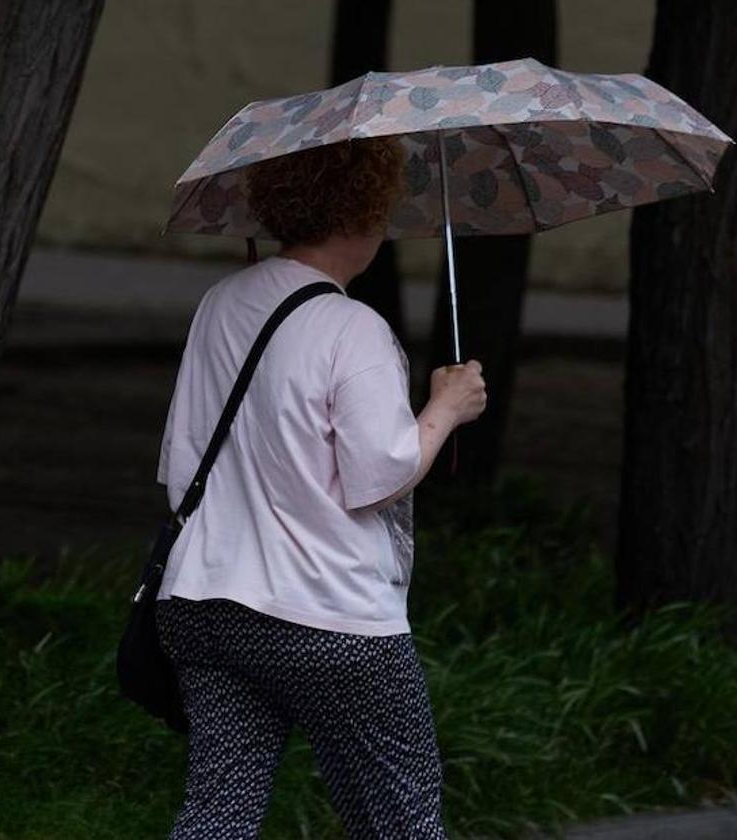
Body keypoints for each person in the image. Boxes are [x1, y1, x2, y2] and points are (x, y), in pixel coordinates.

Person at [154, 135, 487, 839]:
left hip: (204, 603)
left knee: (219, 811)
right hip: (327, 617)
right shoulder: (350, 327)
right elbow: (380, 476)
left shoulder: (220, 303)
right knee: (402, 819)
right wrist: (447, 409)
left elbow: (180, 467)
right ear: (362, 214)